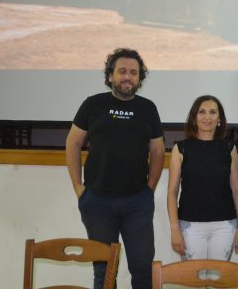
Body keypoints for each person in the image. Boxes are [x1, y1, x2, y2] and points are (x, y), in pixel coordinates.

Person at [65, 48, 165, 289]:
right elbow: (73, 144)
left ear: (140, 78)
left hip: (137, 202)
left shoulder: (148, 108)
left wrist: (149, 190)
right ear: (110, 75)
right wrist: (79, 188)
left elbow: (158, 151)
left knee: (142, 270)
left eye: (133, 72)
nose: (127, 77)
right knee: (103, 270)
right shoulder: (93, 104)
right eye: (122, 71)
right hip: (97, 202)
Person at [167, 95, 238, 263]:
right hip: (190, 226)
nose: (207, 117)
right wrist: (175, 229)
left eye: (212, 112)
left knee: (217, 281)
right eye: (202, 112)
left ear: (219, 118)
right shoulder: (180, 148)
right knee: (196, 281)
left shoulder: (229, 148)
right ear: (194, 118)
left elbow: (237, 190)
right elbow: (172, 193)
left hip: (225, 226)